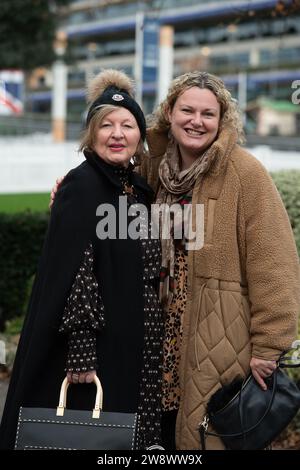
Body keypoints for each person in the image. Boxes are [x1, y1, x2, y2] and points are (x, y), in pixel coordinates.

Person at [49, 71, 300, 450]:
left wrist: (269, 346)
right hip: (154, 335)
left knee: (205, 437)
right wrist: (67, 192)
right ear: (169, 111)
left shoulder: (244, 174)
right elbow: (105, 191)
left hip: (215, 336)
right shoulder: (151, 170)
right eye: (187, 110)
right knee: (159, 439)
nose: (196, 121)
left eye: (207, 114)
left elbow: (275, 266)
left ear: (222, 120)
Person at [0, 69, 164, 450]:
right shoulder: (83, 185)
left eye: (128, 125)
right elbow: (77, 277)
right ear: (92, 133)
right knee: (91, 435)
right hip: (95, 349)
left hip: (136, 342)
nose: (117, 134)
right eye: (106, 124)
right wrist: (82, 354)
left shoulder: (137, 189)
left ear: (140, 135)